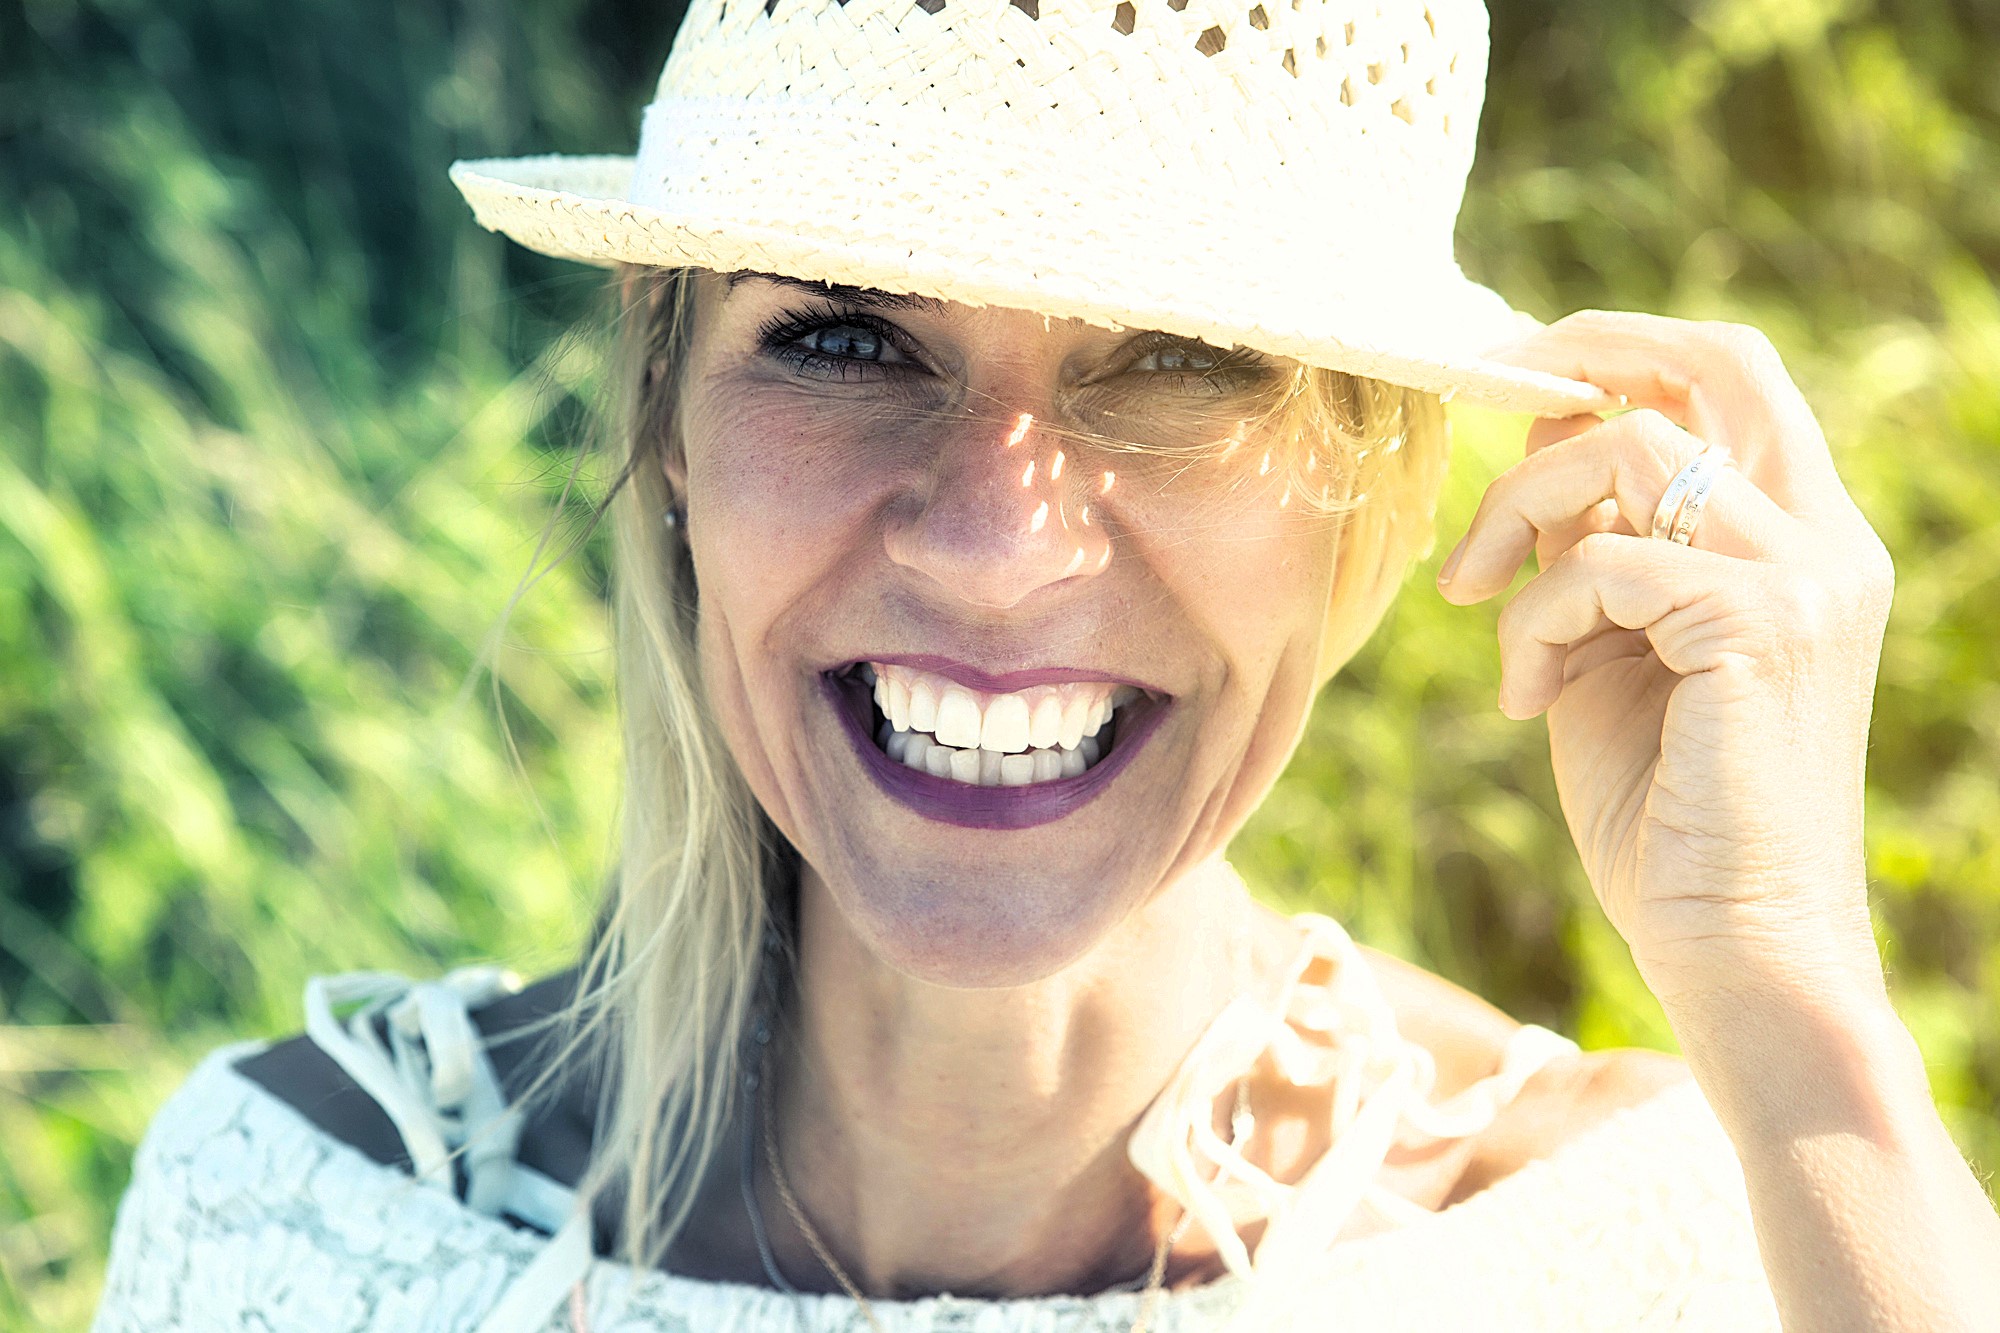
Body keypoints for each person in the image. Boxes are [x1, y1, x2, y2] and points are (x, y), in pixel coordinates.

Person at [91, 0, 2000, 1328]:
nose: (1000, 550)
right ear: (668, 418)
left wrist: (1795, 1002)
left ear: (1374, 494)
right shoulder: (310, 1231)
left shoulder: (1646, 1253)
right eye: (846, 339)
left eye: (1175, 359)